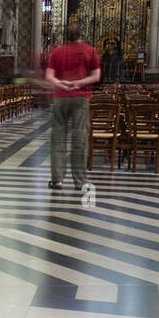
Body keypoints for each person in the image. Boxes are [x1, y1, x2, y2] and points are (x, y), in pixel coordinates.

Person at [44, 20, 101, 191]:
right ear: (82, 34)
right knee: (80, 138)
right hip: (81, 97)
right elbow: (96, 76)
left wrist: (61, 84)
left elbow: (49, 76)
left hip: (60, 97)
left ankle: (57, 180)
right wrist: (79, 83)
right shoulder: (91, 51)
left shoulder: (57, 52)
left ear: (65, 35)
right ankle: (80, 181)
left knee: (58, 138)